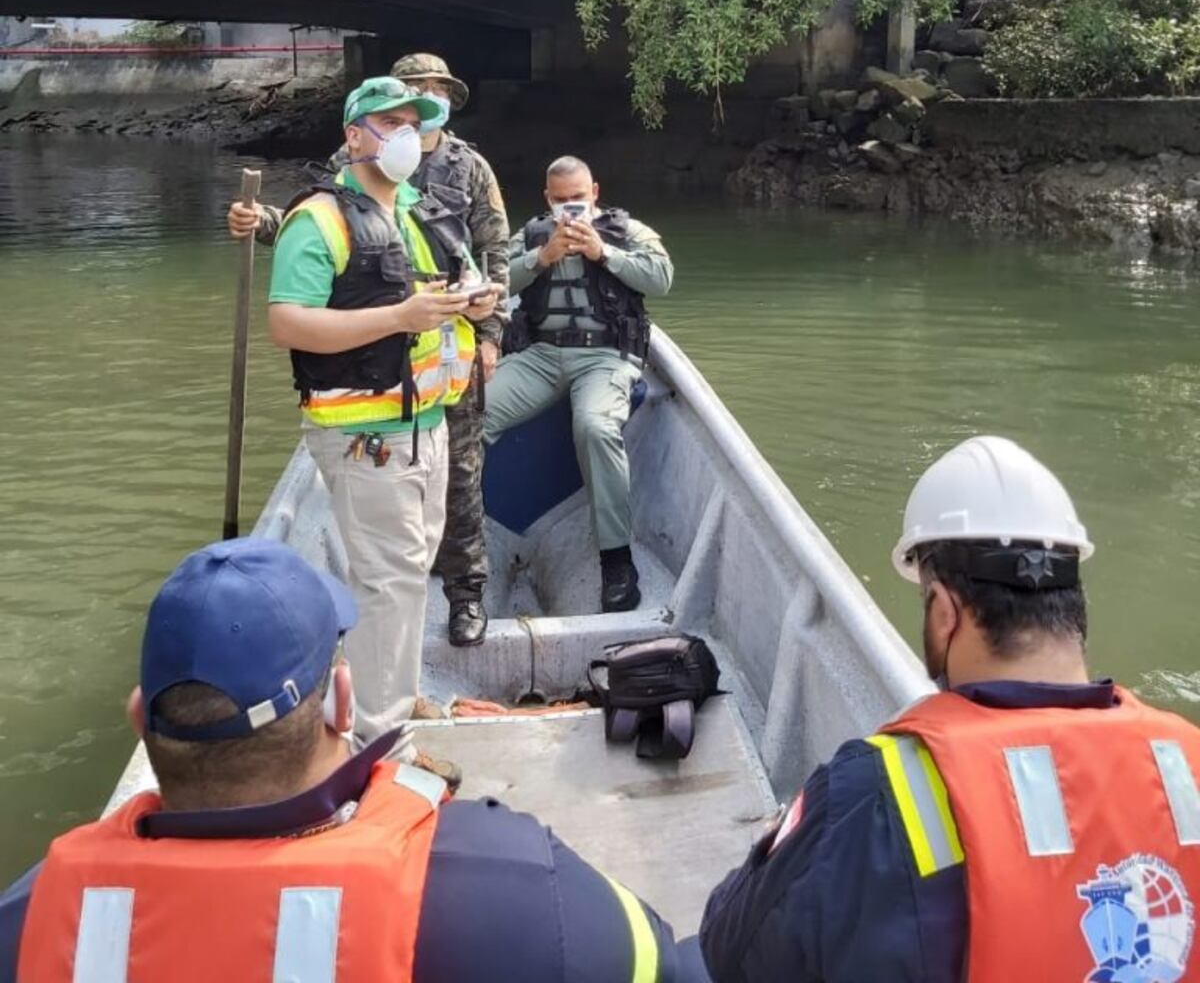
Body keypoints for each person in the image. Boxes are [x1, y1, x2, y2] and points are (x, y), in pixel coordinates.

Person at [0, 538, 706, 982]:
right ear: (343, 700)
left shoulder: (28, 916)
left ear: (138, 719)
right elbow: (670, 967)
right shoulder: (516, 888)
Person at [699, 435, 1200, 983]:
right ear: (1074, 603)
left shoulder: (875, 792)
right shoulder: (1188, 760)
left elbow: (729, 947)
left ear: (943, 612)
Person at [231, 52, 509, 650]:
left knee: (461, 483)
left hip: (445, 375)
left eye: (428, 97)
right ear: (359, 130)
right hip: (375, 389)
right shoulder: (355, 164)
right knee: (394, 565)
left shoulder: (469, 167)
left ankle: (466, 594)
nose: (409, 119)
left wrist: (489, 331)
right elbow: (330, 226)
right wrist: (262, 222)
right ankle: (390, 679)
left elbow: (491, 255)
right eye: (403, 101)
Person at [484, 156, 673, 613]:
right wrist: (540, 257)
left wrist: (602, 253)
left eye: (579, 198)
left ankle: (616, 559)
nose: (571, 208)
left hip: (606, 355)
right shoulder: (530, 236)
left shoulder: (627, 231)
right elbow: (491, 283)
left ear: (595, 192)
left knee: (594, 425)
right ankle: (460, 540)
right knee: (469, 412)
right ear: (548, 199)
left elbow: (662, 278)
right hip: (541, 355)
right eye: (562, 200)